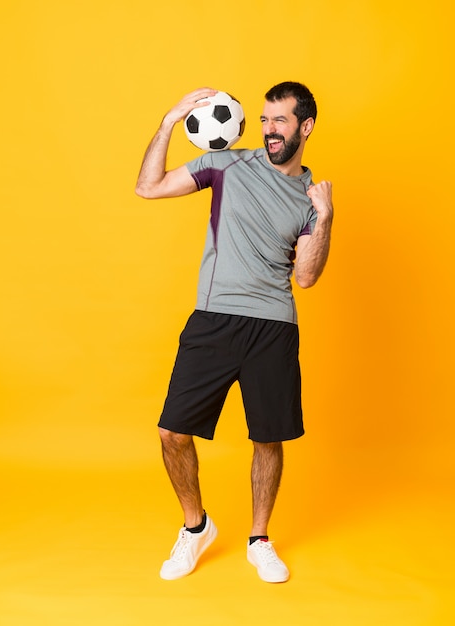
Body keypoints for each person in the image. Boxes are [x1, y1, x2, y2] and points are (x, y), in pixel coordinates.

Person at [135, 82, 333, 583]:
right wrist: (169, 122)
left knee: (269, 439)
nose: (269, 130)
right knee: (171, 432)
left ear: (304, 128)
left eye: (280, 121)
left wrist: (326, 217)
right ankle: (195, 527)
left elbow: (306, 277)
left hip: (274, 326)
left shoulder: (312, 198)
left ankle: (259, 539)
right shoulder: (226, 164)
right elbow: (149, 186)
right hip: (213, 319)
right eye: (264, 120)